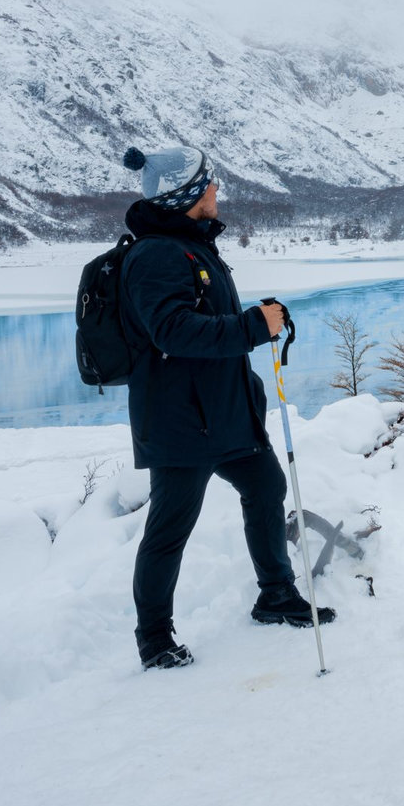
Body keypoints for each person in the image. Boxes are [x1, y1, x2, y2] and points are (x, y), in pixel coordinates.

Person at [117, 143, 335, 670]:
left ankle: (275, 594)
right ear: (189, 194)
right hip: (179, 425)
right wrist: (254, 326)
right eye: (210, 183)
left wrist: (253, 319)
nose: (217, 190)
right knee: (170, 528)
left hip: (224, 417)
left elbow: (202, 322)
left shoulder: (190, 248)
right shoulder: (155, 255)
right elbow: (172, 331)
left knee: (265, 486)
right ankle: (154, 638)